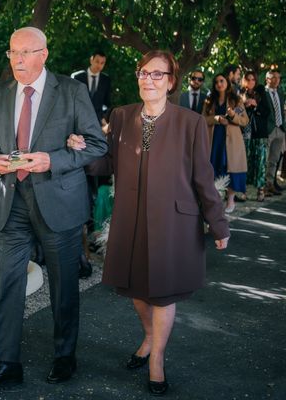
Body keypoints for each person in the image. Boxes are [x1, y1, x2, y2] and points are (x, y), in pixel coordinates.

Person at [77, 50, 229, 396]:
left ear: (171, 81)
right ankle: (149, 336)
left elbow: (203, 179)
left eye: (157, 74)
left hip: (173, 221)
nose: (149, 79)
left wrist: (218, 224)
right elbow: (107, 164)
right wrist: (83, 149)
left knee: (162, 293)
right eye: (143, 73)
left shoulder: (190, 122)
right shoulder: (121, 116)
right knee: (136, 289)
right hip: (130, 218)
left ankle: (156, 358)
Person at [0, 27, 107, 388]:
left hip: (58, 201)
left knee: (64, 286)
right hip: (11, 201)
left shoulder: (73, 91)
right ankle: (5, 364)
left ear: (43, 55)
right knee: (9, 283)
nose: (17, 60)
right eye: (12, 52)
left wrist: (54, 159)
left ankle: (65, 357)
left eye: (25, 52)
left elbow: (96, 144)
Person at [203, 73, 249, 213]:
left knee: (231, 168)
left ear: (227, 83)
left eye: (222, 81)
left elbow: (245, 121)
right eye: (216, 81)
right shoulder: (209, 101)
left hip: (232, 141)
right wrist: (216, 118)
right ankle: (216, 200)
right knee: (215, 166)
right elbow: (202, 119)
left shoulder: (236, 100)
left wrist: (233, 116)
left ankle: (230, 201)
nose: (219, 84)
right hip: (215, 139)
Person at [242, 71, 271, 201]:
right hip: (244, 133)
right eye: (248, 79)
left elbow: (267, 112)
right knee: (245, 162)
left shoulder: (262, 93)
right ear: (244, 81)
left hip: (259, 133)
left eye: (253, 79)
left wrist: (256, 105)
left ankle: (260, 190)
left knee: (260, 162)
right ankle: (243, 189)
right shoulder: (239, 94)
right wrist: (244, 105)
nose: (250, 82)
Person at [264, 70, 286, 195]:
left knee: (274, 159)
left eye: (278, 78)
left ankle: (270, 184)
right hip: (269, 130)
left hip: (280, 129)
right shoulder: (263, 92)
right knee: (265, 159)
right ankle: (262, 186)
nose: (276, 80)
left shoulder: (280, 92)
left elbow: (281, 110)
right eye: (273, 78)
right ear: (267, 79)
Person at [71, 51, 112, 121]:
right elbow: (71, 100)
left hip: (98, 121)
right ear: (91, 60)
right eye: (97, 61)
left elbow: (107, 103)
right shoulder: (77, 77)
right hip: (78, 119)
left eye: (102, 63)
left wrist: (104, 118)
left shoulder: (106, 80)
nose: (99, 65)